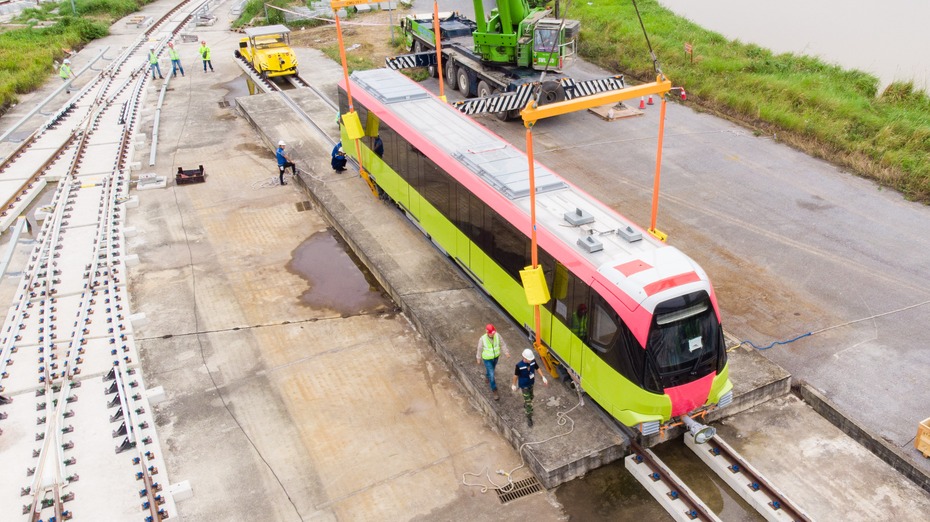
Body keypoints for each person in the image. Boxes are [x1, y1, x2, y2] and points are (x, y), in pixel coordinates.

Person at [512, 348, 548, 427]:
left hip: (531, 383)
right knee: (529, 403)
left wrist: (543, 377)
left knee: (531, 396)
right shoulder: (519, 366)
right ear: (524, 358)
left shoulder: (533, 362)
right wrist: (513, 384)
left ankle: (526, 402)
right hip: (524, 385)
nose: (530, 360)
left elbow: (537, 368)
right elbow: (515, 376)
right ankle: (529, 417)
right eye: (529, 359)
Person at [476, 323, 509, 401]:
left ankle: (487, 376)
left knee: (491, 370)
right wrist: (478, 357)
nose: (493, 335)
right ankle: (494, 390)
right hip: (487, 359)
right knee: (492, 374)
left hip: (495, 357)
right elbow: (479, 348)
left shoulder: (497, 335)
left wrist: (506, 352)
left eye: (493, 333)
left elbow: (502, 344)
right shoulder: (482, 339)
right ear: (487, 332)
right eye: (491, 334)